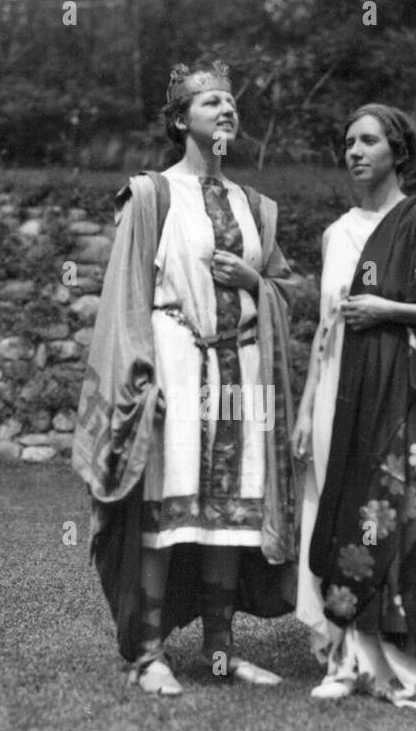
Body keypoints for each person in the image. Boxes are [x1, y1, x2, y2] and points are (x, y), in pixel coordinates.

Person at [73, 60, 302, 697]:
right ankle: (148, 656)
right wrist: (141, 373)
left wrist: (255, 282)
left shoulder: (256, 206)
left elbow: (285, 289)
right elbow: (126, 295)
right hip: (174, 359)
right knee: (163, 511)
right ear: (181, 120)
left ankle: (222, 651)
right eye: (211, 103)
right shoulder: (151, 196)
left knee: (231, 515)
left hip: (243, 370)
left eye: (231, 102)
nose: (227, 110)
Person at [291, 103, 416, 708]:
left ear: (397, 152)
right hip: (336, 393)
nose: (354, 151)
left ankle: (409, 665)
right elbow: (326, 326)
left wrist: (387, 309)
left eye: (368, 140)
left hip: (402, 391)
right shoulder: (336, 232)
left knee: (402, 516)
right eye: (348, 140)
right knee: (331, 509)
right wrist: (303, 408)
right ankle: (344, 659)